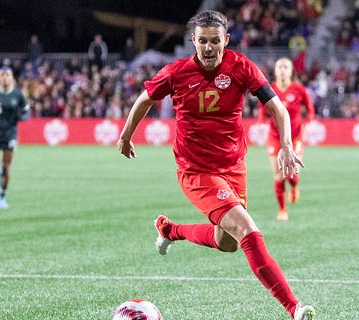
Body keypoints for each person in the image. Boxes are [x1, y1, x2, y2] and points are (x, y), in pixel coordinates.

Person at [117, 11, 315, 320]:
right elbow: (144, 99)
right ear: (192, 41)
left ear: (226, 40)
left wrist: (287, 144)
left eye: (215, 41)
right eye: (202, 41)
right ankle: (294, 306)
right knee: (248, 230)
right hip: (197, 172)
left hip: (234, 168)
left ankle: (170, 230)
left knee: (228, 243)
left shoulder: (241, 66)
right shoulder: (176, 72)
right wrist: (126, 135)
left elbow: (277, 107)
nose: (209, 48)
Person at [258, 57, 315, 221]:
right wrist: (262, 123)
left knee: (292, 173)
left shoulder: (299, 89)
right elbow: (262, 110)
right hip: (275, 137)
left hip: (295, 136)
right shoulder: (269, 89)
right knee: (278, 174)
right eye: (279, 67)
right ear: (275, 70)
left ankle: (295, 186)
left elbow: (310, 109)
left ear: (291, 71)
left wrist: (309, 122)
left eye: (285, 67)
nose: (282, 69)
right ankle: (282, 210)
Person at [0, 66, 29, 209]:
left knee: (6, 165)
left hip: (10, 133)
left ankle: (2, 196)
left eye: (7, 75)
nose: (5, 77)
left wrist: (22, 117)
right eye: (2, 75)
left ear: (12, 78)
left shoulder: (18, 95)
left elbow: (27, 111)